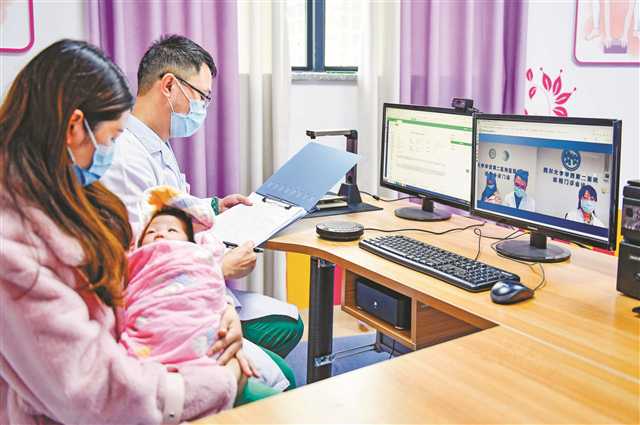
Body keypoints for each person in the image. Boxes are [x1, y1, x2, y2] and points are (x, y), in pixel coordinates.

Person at [0, 39, 249, 424]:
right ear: (75, 128)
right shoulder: (15, 255)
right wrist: (221, 381)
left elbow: (138, 258)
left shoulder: (71, 194)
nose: (113, 152)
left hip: (139, 359)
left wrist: (220, 308)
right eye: (112, 138)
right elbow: (94, 393)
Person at [101, 35, 303, 358]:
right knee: (285, 345)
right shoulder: (126, 160)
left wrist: (214, 206)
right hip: (165, 310)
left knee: (289, 322)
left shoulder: (155, 142)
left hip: (189, 283)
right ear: (169, 86)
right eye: (201, 97)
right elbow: (144, 268)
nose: (203, 108)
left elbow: (170, 205)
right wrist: (221, 268)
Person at [122, 187, 295, 397]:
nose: (160, 234)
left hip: (198, 320)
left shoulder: (195, 255)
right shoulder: (136, 261)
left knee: (286, 362)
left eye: (172, 231)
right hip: (151, 333)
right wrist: (220, 269)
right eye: (151, 232)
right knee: (281, 381)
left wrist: (214, 206)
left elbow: (207, 287)